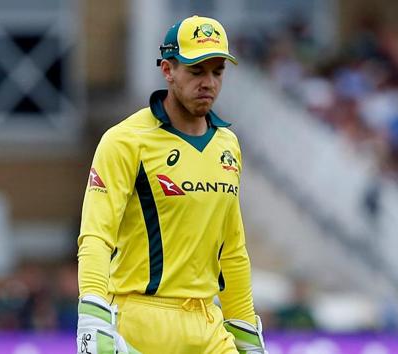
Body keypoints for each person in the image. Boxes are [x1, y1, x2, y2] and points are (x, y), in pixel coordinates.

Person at [76, 15, 267, 354]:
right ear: (168, 70)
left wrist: (245, 328)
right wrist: (92, 315)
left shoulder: (228, 145)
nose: (208, 82)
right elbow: (96, 235)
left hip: (208, 324)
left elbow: (233, 250)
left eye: (217, 72)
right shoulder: (125, 140)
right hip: (142, 323)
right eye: (196, 71)